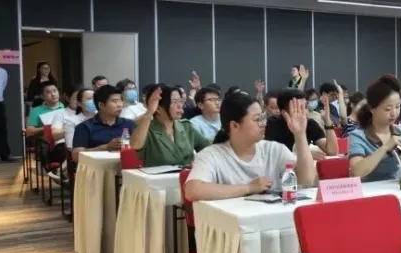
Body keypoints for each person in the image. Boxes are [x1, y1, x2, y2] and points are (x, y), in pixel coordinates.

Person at [185, 92, 315, 200]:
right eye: (257, 119)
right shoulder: (212, 155)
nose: (263, 124)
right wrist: (248, 188)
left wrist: (300, 134)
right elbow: (193, 190)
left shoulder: (274, 150)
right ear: (235, 125)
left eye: (263, 118)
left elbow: (306, 180)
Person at [348, 74, 401, 182]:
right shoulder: (358, 136)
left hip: (396, 187)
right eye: (387, 109)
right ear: (372, 109)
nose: (394, 113)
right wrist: (385, 147)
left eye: (397, 107)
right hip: (369, 190)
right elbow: (357, 171)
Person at [129, 85, 211, 167]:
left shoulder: (186, 127)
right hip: (159, 175)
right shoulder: (146, 128)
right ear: (158, 108)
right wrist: (149, 112)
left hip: (188, 174)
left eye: (181, 101)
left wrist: (200, 162)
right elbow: (135, 145)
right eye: (174, 102)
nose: (180, 106)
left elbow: (208, 149)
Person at [265, 88, 338, 157]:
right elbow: (269, 156)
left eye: (306, 107)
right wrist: (301, 155)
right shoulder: (270, 124)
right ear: (284, 112)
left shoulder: (310, 124)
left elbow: (332, 151)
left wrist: (327, 121)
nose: (305, 112)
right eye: (299, 108)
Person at [71, 85, 134, 163]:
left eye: (121, 101)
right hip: (96, 168)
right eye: (115, 101)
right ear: (101, 105)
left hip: (125, 166)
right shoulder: (84, 127)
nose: (119, 105)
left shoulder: (129, 124)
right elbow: (76, 156)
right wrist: (105, 147)